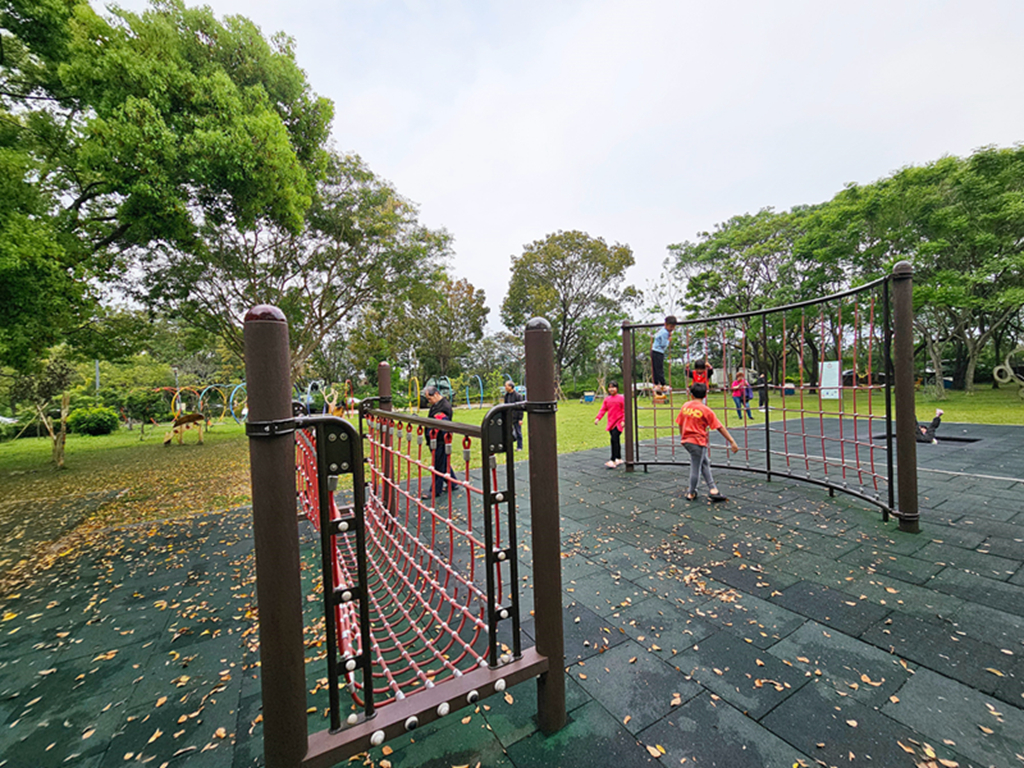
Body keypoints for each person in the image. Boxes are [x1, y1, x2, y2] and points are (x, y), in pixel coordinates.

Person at [676, 382, 739, 501]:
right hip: (698, 442)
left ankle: (713, 489)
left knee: (704, 462)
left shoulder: (685, 406)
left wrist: (682, 436)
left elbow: (680, 422)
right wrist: (731, 441)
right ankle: (691, 492)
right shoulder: (706, 410)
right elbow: (719, 427)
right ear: (705, 395)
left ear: (691, 394)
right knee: (696, 467)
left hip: (687, 441)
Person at [422, 385, 455, 499]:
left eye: (430, 399)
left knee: (438, 465)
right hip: (436, 439)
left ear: (436, 394)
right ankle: (453, 483)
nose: (429, 402)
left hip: (440, 440)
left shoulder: (444, 407)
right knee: (443, 463)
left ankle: (435, 490)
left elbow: (439, 424)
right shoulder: (437, 404)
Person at [594, 381, 626, 468]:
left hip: (619, 422)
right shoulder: (607, 399)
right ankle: (618, 458)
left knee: (614, 439)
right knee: (616, 440)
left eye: (613, 387)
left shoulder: (621, 398)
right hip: (611, 422)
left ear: (617, 388)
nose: (611, 389)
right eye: (610, 387)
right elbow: (603, 409)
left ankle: (612, 459)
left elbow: (625, 409)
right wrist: (598, 418)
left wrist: (623, 420)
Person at [650, 316, 678, 396]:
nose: (672, 328)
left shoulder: (662, 330)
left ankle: (656, 384)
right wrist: (668, 341)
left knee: (656, 368)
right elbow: (663, 344)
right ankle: (663, 384)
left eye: (673, 327)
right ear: (665, 324)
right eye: (670, 326)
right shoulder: (665, 333)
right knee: (659, 369)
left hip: (654, 351)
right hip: (658, 352)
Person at [503, 380, 525, 451]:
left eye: (506, 386)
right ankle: (508, 446)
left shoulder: (518, 396)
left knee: (518, 432)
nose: (505, 387)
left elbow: (521, 408)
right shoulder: (506, 396)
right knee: (508, 432)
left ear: (510, 387)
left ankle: (519, 447)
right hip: (509, 417)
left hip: (516, 417)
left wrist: (520, 419)